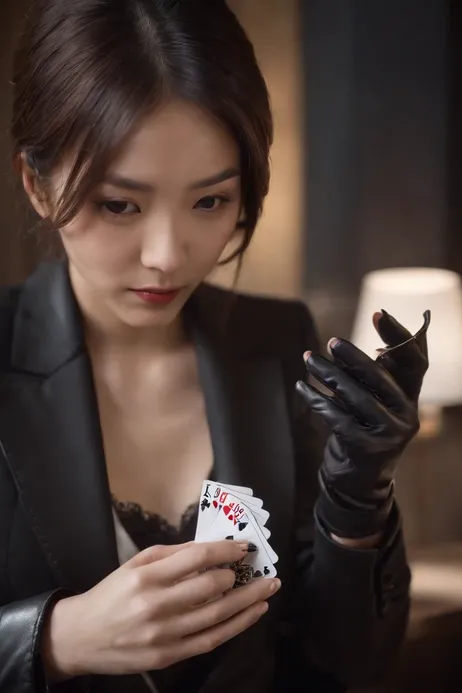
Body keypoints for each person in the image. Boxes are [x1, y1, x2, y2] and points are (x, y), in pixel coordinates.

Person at [0, 1, 429, 692]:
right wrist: (56, 637)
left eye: (210, 202)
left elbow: (351, 665)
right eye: (119, 203)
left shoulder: (281, 342)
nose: (168, 257)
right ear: (38, 184)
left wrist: (360, 495)